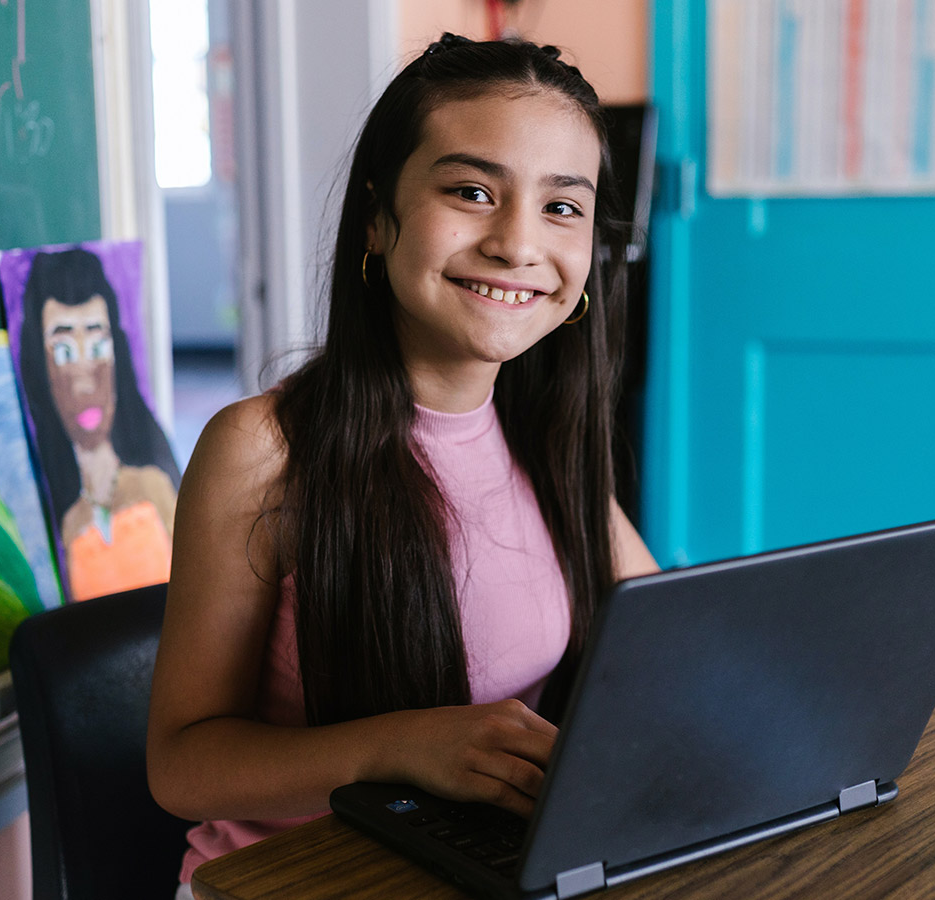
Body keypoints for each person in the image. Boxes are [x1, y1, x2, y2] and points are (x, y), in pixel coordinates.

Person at [145, 34, 660, 892]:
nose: (517, 243)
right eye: (472, 192)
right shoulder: (264, 449)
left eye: (562, 207)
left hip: (467, 868)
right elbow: (181, 766)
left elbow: (672, 643)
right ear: (377, 220)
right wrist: (399, 746)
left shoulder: (546, 435)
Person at [15, 247, 182, 602]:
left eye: (97, 347)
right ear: (40, 367)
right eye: (63, 352)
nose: (84, 380)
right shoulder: (61, 521)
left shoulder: (155, 487)